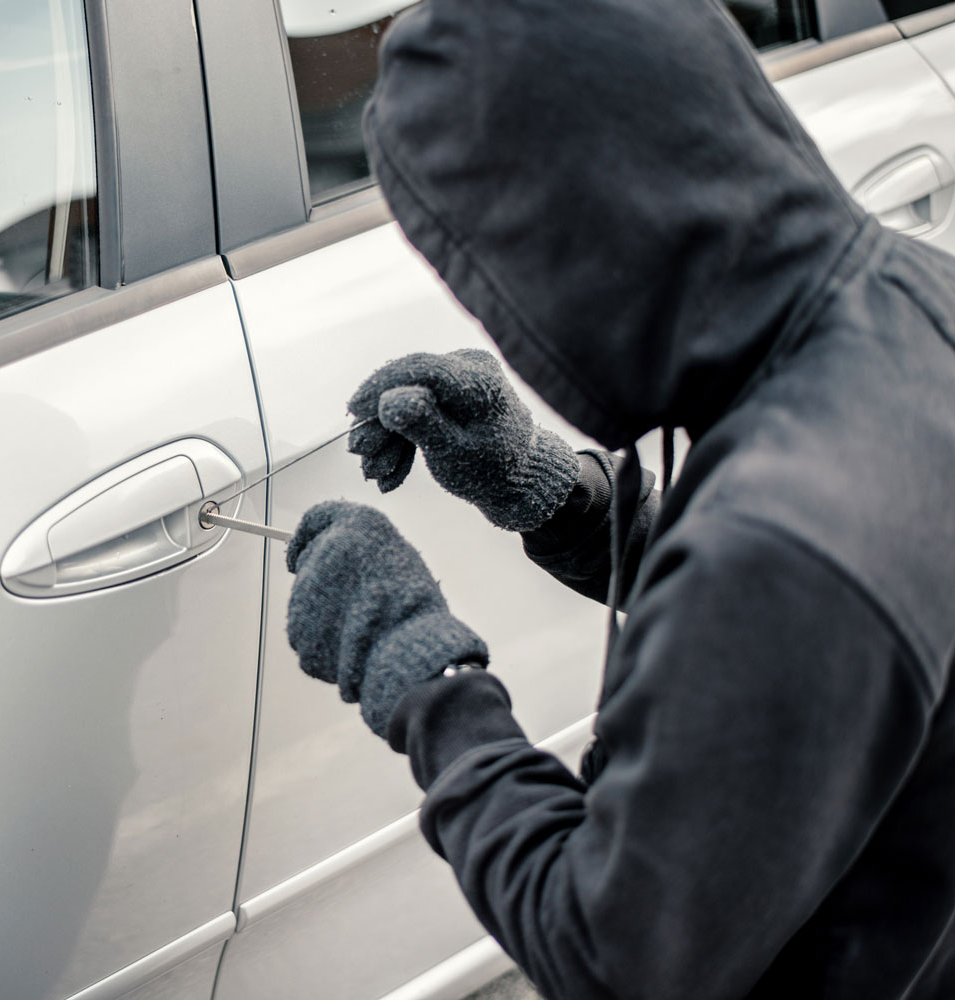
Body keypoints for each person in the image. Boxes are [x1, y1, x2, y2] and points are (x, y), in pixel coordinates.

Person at [282, 2, 955, 998]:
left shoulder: (778, 546)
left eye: (488, 275)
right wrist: (558, 497)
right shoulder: (911, 300)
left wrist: (421, 671)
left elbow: (613, 957)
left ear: (579, 241)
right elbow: (797, 656)